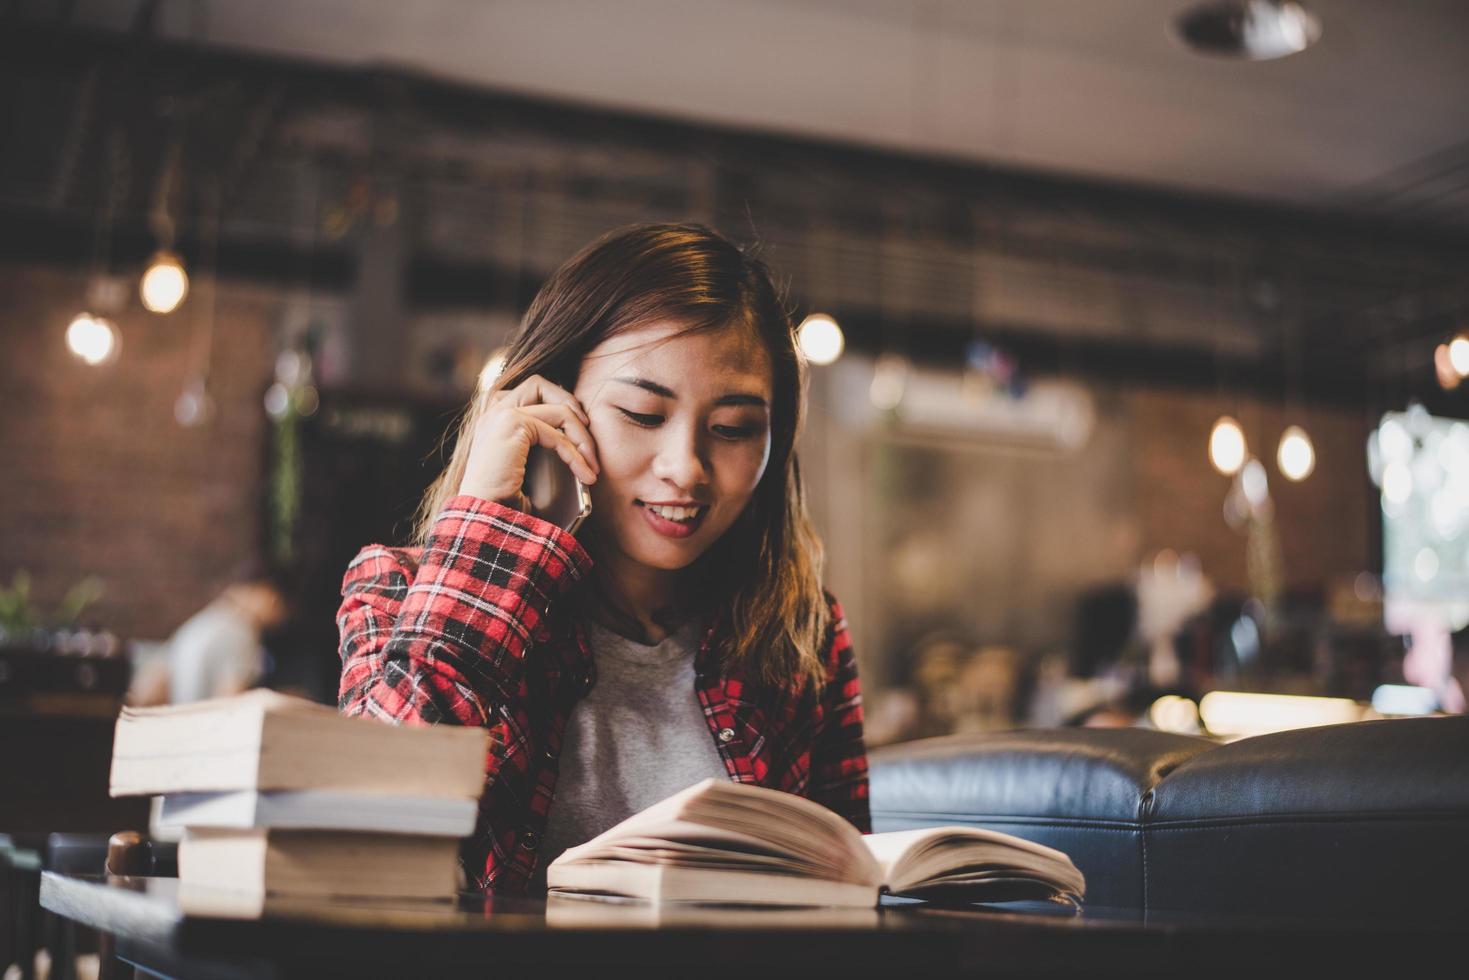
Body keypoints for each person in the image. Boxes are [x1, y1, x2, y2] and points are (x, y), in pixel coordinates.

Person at [337, 223, 870, 895]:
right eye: (643, 414)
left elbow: (850, 899)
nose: (685, 470)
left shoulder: (801, 634)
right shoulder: (399, 589)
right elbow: (364, 823)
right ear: (550, 405)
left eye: (733, 429)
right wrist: (487, 525)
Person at [131, 564, 289, 706]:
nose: (279, 615)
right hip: (208, 730)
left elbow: (148, 686)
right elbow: (230, 700)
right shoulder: (243, 631)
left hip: (182, 725)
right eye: (276, 602)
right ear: (262, 591)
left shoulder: (202, 622)